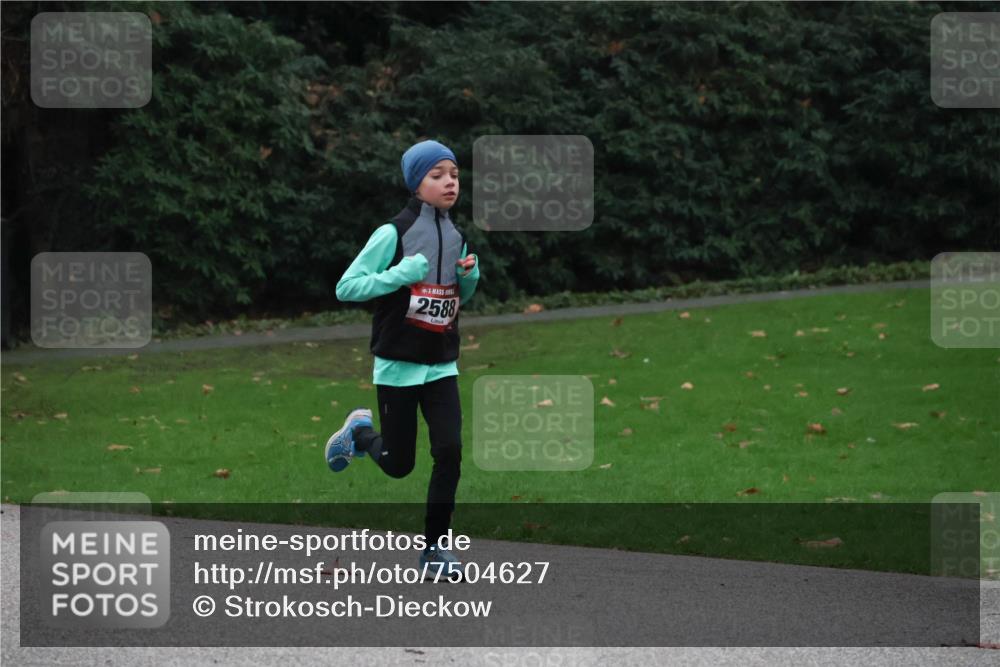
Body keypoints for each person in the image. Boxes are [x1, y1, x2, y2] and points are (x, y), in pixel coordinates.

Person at [325, 139, 479, 580]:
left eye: (453, 174)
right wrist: (398, 275)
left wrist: (470, 278)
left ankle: (434, 551)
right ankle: (359, 432)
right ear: (417, 184)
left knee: (449, 451)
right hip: (398, 365)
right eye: (437, 175)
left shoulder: (455, 234)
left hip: (441, 364)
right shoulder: (392, 233)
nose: (449, 182)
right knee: (398, 464)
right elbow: (346, 287)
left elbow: (454, 297)